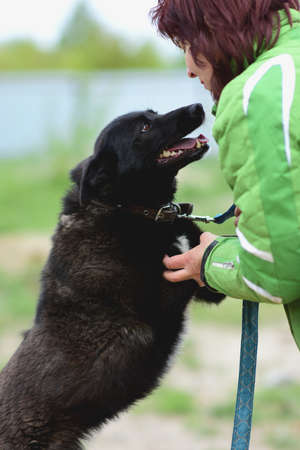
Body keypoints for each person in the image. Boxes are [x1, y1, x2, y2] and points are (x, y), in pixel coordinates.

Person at [151, 0, 300, 350]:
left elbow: (276, 272)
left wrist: (209, 261)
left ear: (216, 31)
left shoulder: (257, 96)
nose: (189, 68)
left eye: (188, 46)